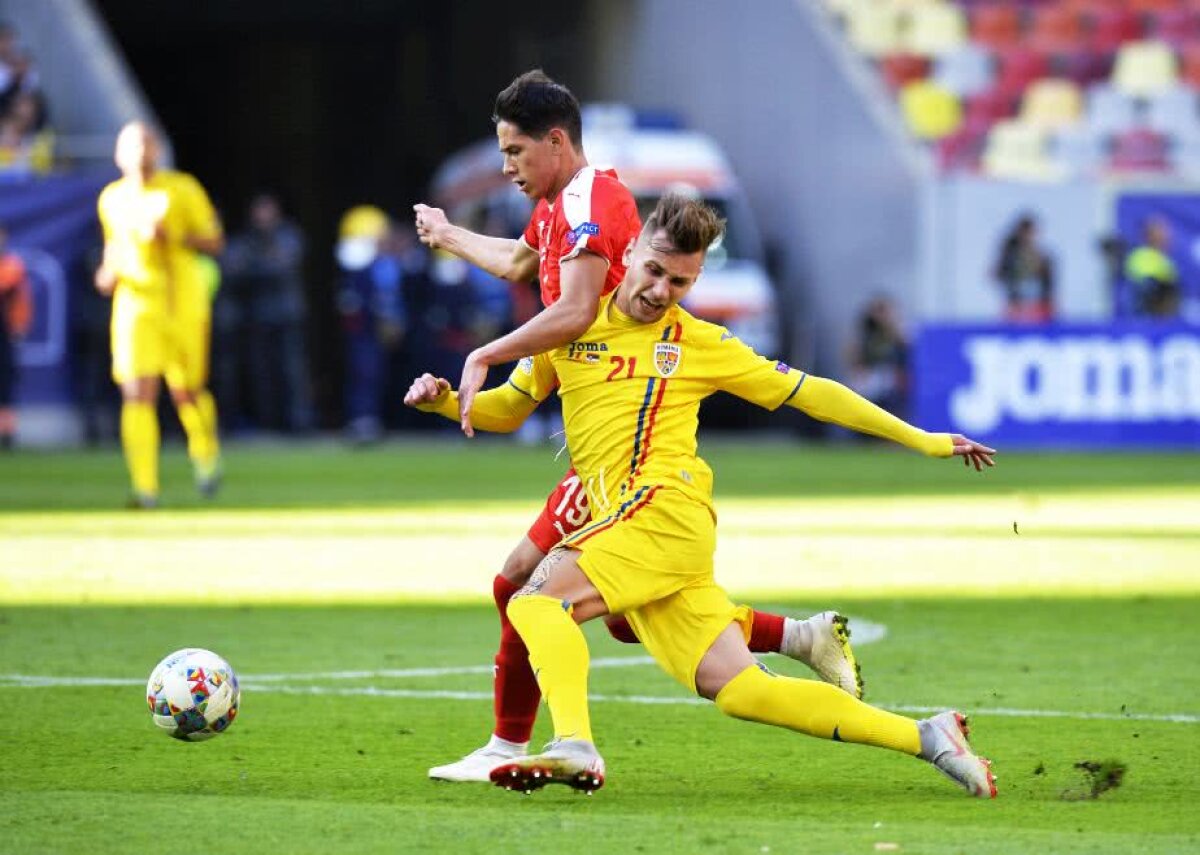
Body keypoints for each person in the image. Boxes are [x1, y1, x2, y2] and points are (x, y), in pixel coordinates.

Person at [406, 194, 998, 799]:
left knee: (536, 603)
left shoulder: (697, 342)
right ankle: (928, 736)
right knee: (743, 690)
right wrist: (447, 401)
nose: (662, 290)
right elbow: (507, 408)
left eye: (680, 282)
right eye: (656, 271)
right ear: (630, 251)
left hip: (663, 510)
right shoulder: (570, 323)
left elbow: (810, 393)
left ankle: (574, 745)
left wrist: (919, 438)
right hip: (651, 533)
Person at [413, 71, 845, 782]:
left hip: (623, 440)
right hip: (593, 426)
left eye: (515, 151)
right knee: (586, 603)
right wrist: (451, 234)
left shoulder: (593, 198)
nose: (506, 166)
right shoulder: (556, 208)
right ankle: (796, 633)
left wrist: (487, 352)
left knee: (545, 593)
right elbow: (523, 262)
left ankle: (533, 743)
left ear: (556, 142)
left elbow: (579, 311)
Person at [94, 121, 224, 508]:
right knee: (137, 393)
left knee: (187, 391)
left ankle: (205, 454)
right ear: (118, 155)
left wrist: (173, 237)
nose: (139, 151)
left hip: (182, 302)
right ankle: (145, 487)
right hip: (135, 306)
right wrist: (105, 275)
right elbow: (112, 252)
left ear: (157, 150)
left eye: (146, 143)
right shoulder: (111, 199)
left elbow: (215, 241)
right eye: (131, 145)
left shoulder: (182, 188)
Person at [223, 192, 312, 432]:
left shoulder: (289, 236)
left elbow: (281, 267)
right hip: (258, 318)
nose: (263, 217)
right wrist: (259, 265)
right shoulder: (247, 240)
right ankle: (268, 422)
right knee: (261, 373)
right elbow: (232, 269)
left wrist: (254, 266)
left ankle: (299, 423)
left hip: (287, 316)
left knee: (292, 371)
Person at [0, 224, 31, 449]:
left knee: (5, 382)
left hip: (3, 334)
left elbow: (20, 301)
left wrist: (19, 326)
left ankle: (5, 433)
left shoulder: (11, 266)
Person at [993, 214, 1053, 324]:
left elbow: (1048, 283)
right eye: (1026, 232)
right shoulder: (1009, 254)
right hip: (1015, 304)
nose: (1029, 236)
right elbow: (998, 274)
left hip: (1038, 305)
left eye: (1031, 232)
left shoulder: (1042, 256)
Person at [1124, 216, 1180, 319]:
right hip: (1146, 311)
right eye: (1160, 233)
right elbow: (1145, 285)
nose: (1165, 236)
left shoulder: (1166, 260)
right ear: (1149, 236)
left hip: (1165, 313)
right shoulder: (1140, 255)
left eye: (1165, 233)